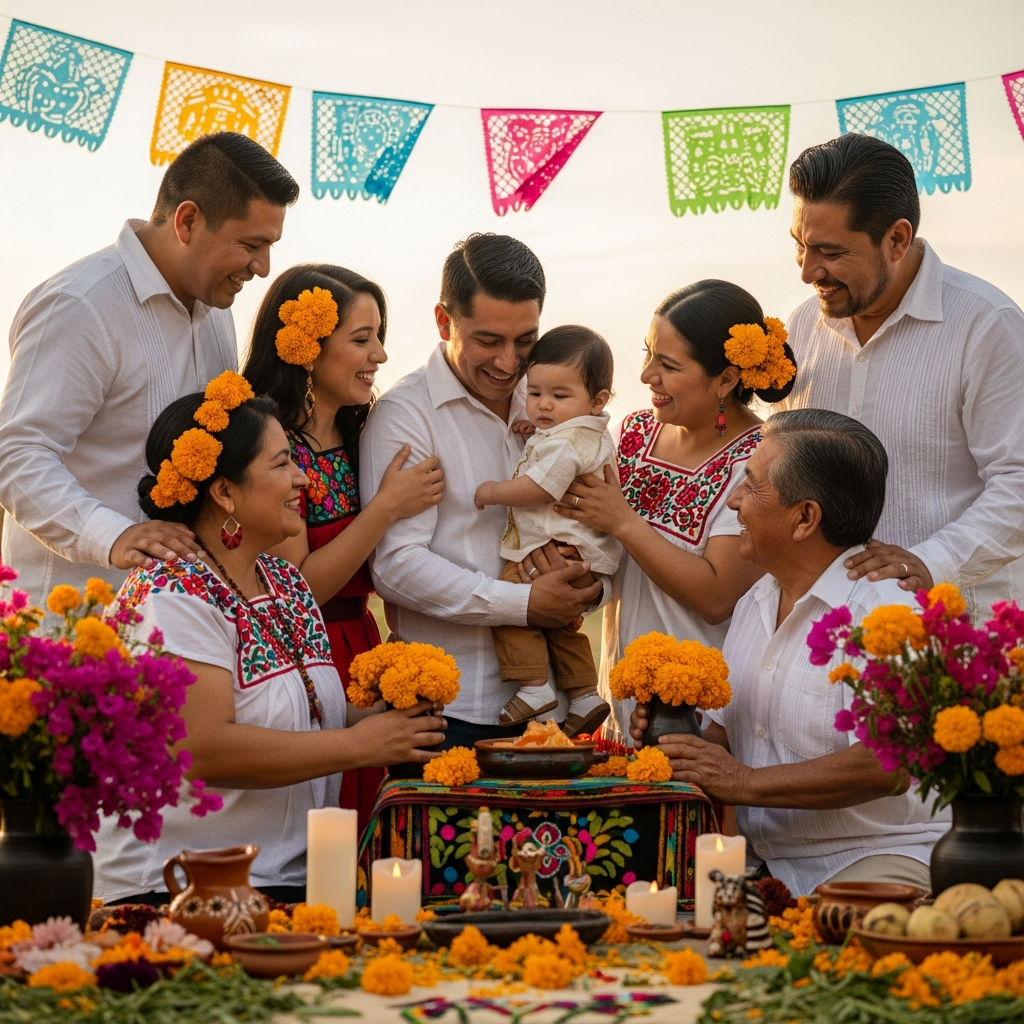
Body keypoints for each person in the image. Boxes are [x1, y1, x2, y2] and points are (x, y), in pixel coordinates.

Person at [93, 374, 446, 903]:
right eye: (281, 464)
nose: (304, 480)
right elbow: (202, 747)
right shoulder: (170, 594)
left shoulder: (285, 582)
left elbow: (302, 709)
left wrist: (392, 724)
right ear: (224, 492)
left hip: (285, 884)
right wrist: (355, 747)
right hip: (181, 891)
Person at [629, 409, 949, 895]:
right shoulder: (756, 600)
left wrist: (744, 782)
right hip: (768, 869)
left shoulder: (887, 612)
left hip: (879, 859)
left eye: (751, 486)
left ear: (804, 518)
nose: (733, 501)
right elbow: (728, 741)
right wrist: (680, 736)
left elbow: (887, 764)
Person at [0, 132, 299, 607]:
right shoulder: (80, 304)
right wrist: (115, 536)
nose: (262, 268)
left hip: (185, 617)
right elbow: (17, 454)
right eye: (251, 244)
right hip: (78, 622)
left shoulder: (216, 306)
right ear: (188, 220)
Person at [361, 234, 602, 748]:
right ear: (444, 322)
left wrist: (588, 581)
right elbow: (396, 566)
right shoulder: (406, 415)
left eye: (525, 341)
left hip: (560, 711)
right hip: (453, 708)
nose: (510, 362)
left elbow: (599, 514)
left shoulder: (555, 400)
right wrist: (524, 603)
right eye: (489, 341)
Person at [781, 133, 1024, 619]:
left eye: (829, 252)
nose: (808, 272)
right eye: (800, 246)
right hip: (832, 638)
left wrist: (932, 560)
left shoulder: (986, 323)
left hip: (957, 635)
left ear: (896, 239)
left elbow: (1018, 482)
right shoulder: (803, 325)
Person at [242, 264, 444, 831]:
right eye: (361, 339)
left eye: (379, 336)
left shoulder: (365, 432)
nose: (379, 355)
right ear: (307, 350)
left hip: (364, 644)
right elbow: (296, 589)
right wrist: (384, 509)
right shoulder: (273, 447)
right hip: (305, 650)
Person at [549, 281, 796, 739]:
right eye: (648, 355)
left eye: (668, 365)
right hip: (624, 688)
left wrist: (623, 521)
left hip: (702, 709)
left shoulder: (760, 460)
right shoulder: (633, 432)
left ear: (725, 379)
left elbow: (717, 596)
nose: (646, 376)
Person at [473, 325, 620, 736]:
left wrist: (495, 491)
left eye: (559, 396)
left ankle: (534, 686)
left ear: (598, 400)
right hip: (582, 555)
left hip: (557, 548)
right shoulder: (580, 434)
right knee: (562, 625)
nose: (543, 406)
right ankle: (587, 695)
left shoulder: (566, 442)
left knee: (509, 601)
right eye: (535, 393)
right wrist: (535, 432)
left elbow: (540, 486)